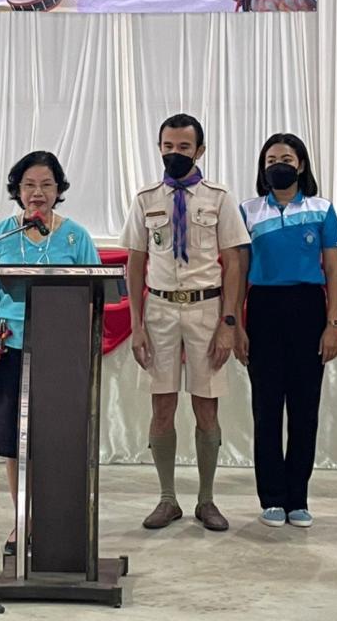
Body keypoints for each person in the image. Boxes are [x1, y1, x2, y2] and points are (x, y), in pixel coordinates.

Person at [0, 151, 100, 554]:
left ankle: (57, 520)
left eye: (46, 185)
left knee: (56, 439)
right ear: (17, 190)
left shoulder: (76, 237)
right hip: (8, 349)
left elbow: (94, 298)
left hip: (61, 351)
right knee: (14, 441)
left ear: (59, 190)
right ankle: (22, 519)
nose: (37, 193)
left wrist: (84, 353)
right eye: (29, 185)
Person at [121, 114, 249, 533]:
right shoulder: (146, 199)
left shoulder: (219, 198)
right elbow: (135, 262)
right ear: (159, 148)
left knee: (206, 405)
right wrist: (136, 324)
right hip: (159, 310)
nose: (174, 154)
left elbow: (234, 262)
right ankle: (167, 498)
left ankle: (206, 500)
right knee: (161, 405)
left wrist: (229, 322)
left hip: (205, 309)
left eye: (184, 147)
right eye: (168, 147)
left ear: (200, 150)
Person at [239, 133, 337, 529]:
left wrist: (332, 324)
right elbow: (238, 272)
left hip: (308, 308)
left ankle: (298, 497)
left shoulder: (322, 209)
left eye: (286, 158)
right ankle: (272, 498)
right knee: (266, 408)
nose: (278, 165)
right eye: (271, 160)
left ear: (301, 164)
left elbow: (332, 270)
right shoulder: (248, 211)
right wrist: (235, 323)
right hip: (263, 309)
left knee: (304, 408)